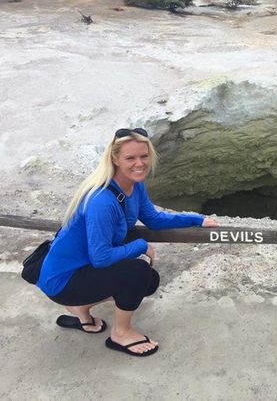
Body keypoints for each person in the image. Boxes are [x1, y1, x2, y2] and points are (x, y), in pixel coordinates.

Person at [37, 127, 218, 357]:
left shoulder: (134, 184)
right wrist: (141, 246)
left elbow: (152, 218)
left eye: (144, 156)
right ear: (115, 158)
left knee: (149, 281)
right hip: (61, 280)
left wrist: (196, 220)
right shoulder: (101, 201)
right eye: (130, 158)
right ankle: (121, 333)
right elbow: (101, 258)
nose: (139, 163)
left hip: (79, 270)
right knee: (138, 273)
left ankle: (81, 309)